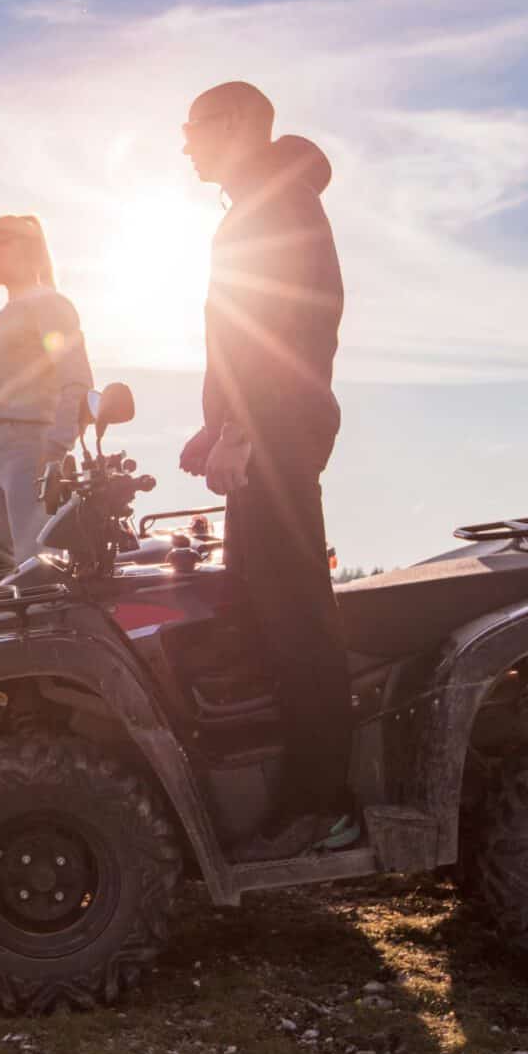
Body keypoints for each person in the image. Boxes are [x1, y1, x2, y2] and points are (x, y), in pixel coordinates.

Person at [175, 81, 356, 860]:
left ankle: (325, 807)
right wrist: (214, 424)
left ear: (242, 124)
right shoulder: (257, 205)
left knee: (295, 622)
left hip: (275, 439)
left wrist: (243, 429)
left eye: (195, 127)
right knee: (255, 614)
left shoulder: (276, 206)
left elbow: (286, 329)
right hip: (262, 434)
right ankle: (266, 793)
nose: (186, 144)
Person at [0, 214, 94, 562]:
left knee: (38, 564)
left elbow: (77, 381)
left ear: (15, 247)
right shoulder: (9, 312)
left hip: (30, 451)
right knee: (2, 564)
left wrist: (53, 450)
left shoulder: (48, 305)